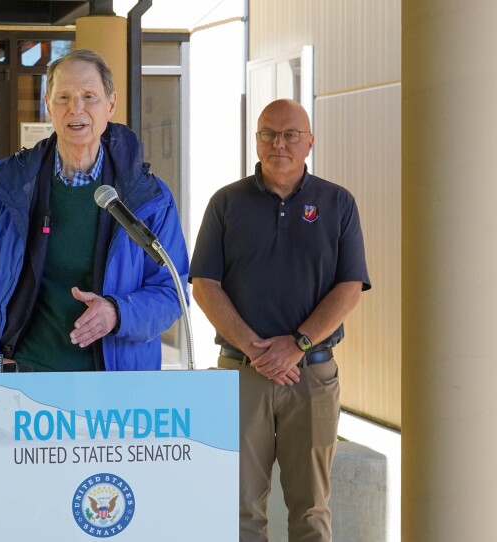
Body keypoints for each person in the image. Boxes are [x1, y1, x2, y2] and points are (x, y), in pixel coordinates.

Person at [189, 98, 371, 541]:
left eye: (291, 134)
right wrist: (256, 349)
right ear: (256, 141)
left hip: (311, 375)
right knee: (238, 508)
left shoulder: (338, 203)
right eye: (268, 133)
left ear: (310, 142)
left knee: (310, 509)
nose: (279, 143)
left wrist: (297, 344)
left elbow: (349, 288)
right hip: (241, 374)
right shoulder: (226, 203)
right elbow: (204, 284)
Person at [0, 48, 188, 371]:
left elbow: (172, 290)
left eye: (89, 96)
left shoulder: (149, 197)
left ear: (110, 104)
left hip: (117, 392)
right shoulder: (0, 187)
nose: (76, 109)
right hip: (22, 383)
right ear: (48, 105)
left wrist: (118, 313)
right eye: (63, 98)